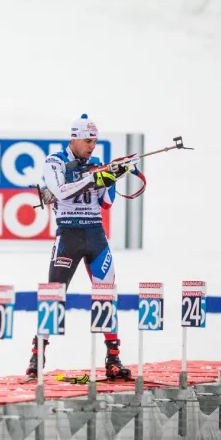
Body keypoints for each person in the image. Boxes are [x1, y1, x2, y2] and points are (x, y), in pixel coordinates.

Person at [25, 114, 134, 381]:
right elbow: (60, 191)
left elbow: (106, 203)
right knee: (54, 295)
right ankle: (36, 359)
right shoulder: (54, 161)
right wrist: (94, 178)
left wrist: (112, 177)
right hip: (68, 236)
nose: (91, 146)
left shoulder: (96, 164)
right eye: (87, 140)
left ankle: (113, 359)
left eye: (95, 141)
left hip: (96, 235)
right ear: (73, 138)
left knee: (106, 294)